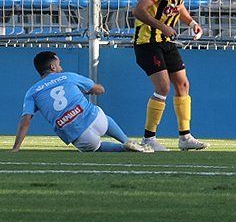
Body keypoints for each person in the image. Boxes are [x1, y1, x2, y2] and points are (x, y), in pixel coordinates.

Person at [131, 0, 207, 151]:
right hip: (148, 43)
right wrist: (162, 26)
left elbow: (178, 6)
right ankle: (148, 138)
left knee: (183, 85)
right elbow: (139, 10)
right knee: (163, 87)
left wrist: (191, 22)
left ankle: (185, 137)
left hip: (167, 43)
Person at [11, 51, 148, 153]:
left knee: (97, 148)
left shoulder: (32, 92)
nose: (61, 68)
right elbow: (100, 89)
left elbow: (26, 119)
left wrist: (16, 147)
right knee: (104, 117)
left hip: (78, 135)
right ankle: (126, 141)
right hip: (96, 120)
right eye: (59, 65)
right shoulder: (68, 76)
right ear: (52, 67)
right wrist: (90, 90)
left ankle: (123, 148)